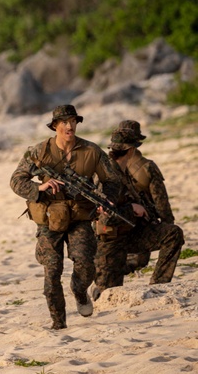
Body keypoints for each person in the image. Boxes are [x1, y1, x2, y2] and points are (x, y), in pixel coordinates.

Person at [10, 105, 125, 330]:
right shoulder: (39, 151)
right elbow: (16, 180)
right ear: (55, 126)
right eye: (64, 122)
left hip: (80, 217)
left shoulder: (91, 151)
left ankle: (80, 291)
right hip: (49, 218)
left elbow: (112, 180)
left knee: (85, 265)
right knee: (52, 272)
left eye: (73, 121)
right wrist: (39, 188)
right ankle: (58, 322)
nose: (69, 126)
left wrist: (106, 201)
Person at [93, 120, 185, 299]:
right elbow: (106, 216)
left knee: (172, 234)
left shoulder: (121, 170)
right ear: (131, 150)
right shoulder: (108, 175)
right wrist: (133, 208)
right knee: (107, 295)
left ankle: (158, 287)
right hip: (109, 243)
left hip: (127, 235)